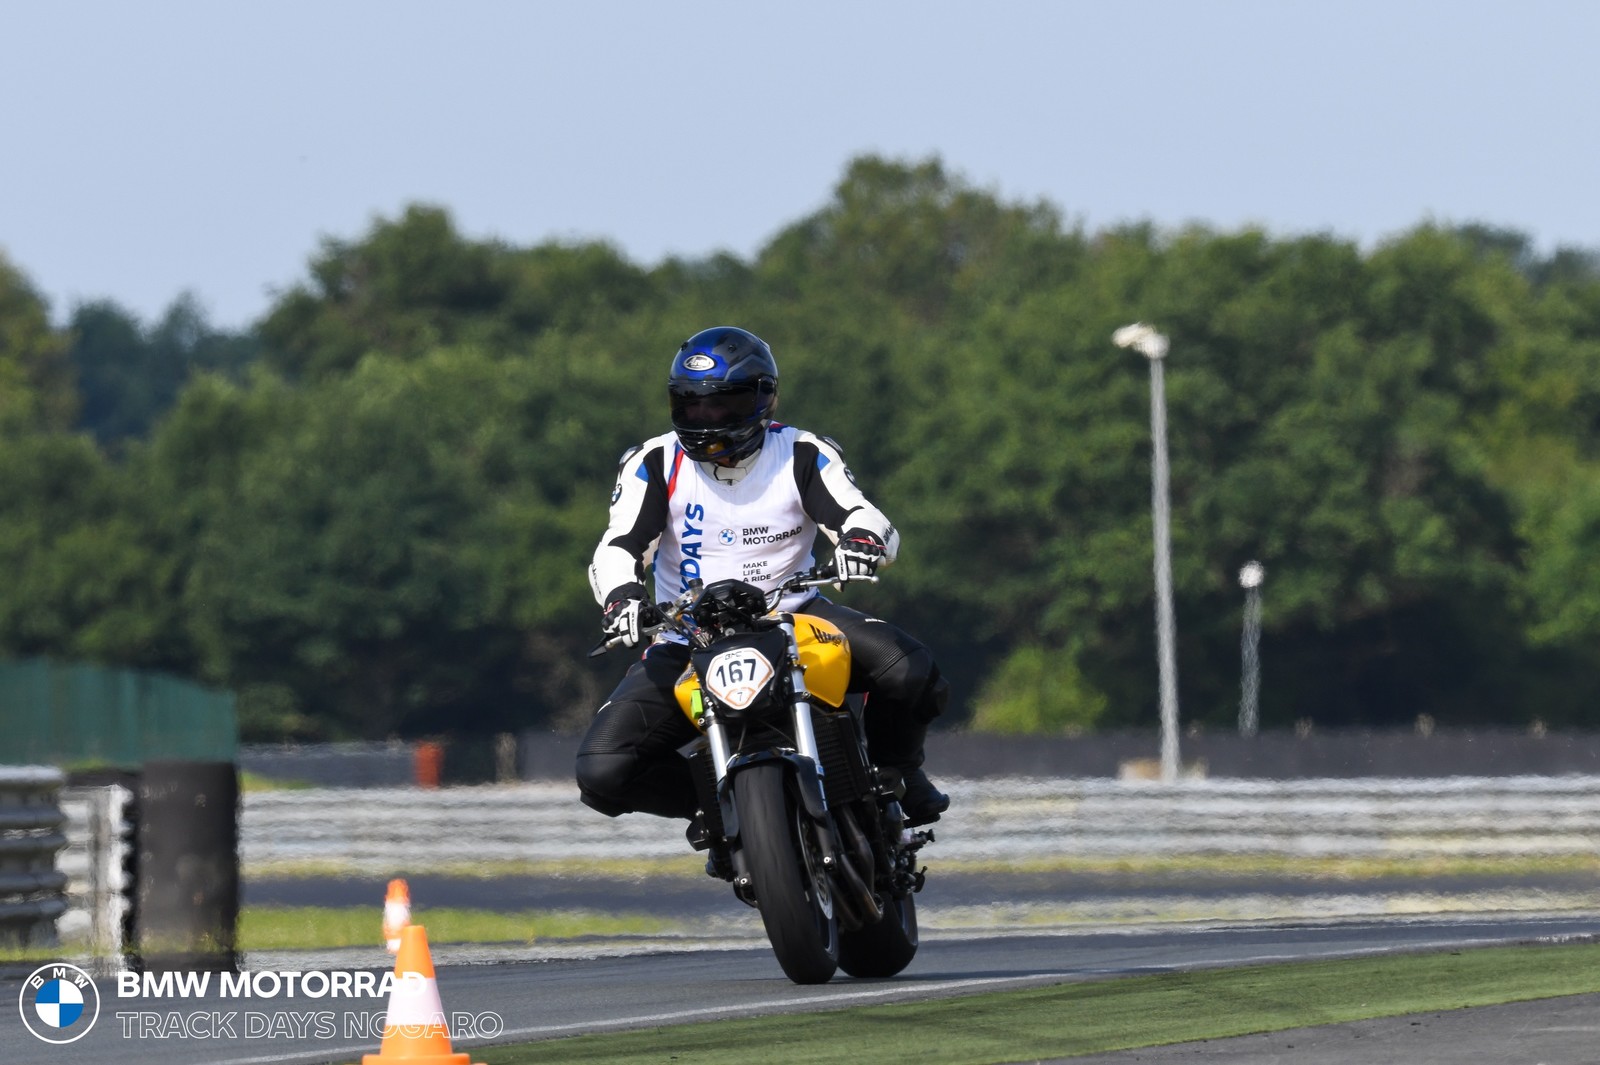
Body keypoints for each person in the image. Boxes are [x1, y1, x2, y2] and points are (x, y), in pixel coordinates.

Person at [576, 325, 951, 835]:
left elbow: (863, 516)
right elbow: (618, 546)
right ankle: (715, 806)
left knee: (910, 671)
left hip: (794, 616)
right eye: (691, 406)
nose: (706, 421)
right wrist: (622, 598)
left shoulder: (802, 452)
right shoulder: (654, 462)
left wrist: (862, 544)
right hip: (687, 634)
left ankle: (898, 769)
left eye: (723, 406)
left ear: (762, 400)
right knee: (602, 772)